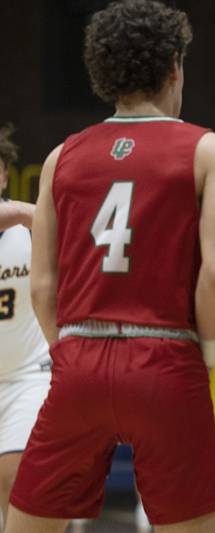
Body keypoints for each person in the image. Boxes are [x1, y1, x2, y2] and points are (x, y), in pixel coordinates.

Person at [5, 1, 215, 531]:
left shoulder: (60, 157)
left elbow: (45, 286)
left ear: (101, 72)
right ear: (175, 66)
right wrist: (202, 353)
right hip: (165, 358)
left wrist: (68, 351)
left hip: (79, 358)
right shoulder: (211, 151)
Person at [0, 124, 50, 528]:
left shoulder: (28, 223)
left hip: (26, 376)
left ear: (3, 174)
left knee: (15, 478)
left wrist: (26, 213)